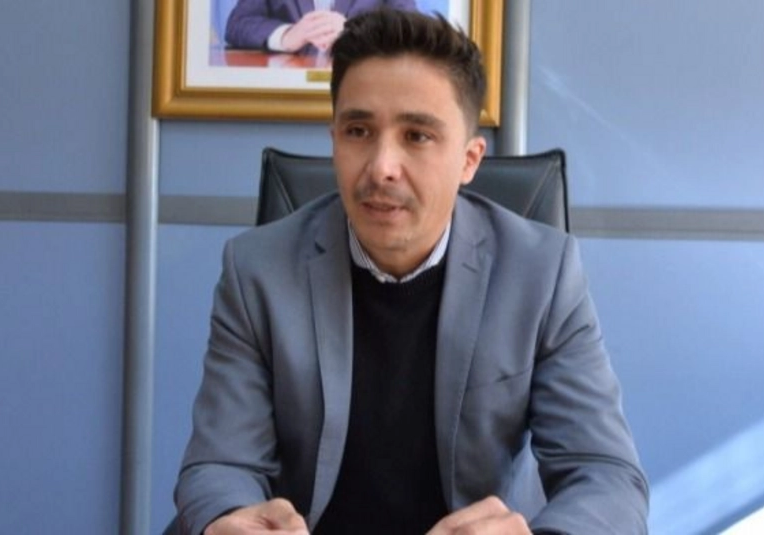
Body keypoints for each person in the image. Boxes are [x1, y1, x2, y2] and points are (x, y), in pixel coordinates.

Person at [175, 8, 649, 535]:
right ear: (334, 140)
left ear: (469, 160)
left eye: (417, 135)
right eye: (358, 130)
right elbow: (220, 463)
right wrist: (227, 519)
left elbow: (607, 475)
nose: (381, 166)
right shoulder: (256, 270)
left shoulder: (542, 273)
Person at [225, 0, 417, 54]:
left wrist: (353, 31)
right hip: (288, 95)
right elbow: (238, 23)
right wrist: (286, 36)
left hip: (363, 87)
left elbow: (410, 26)